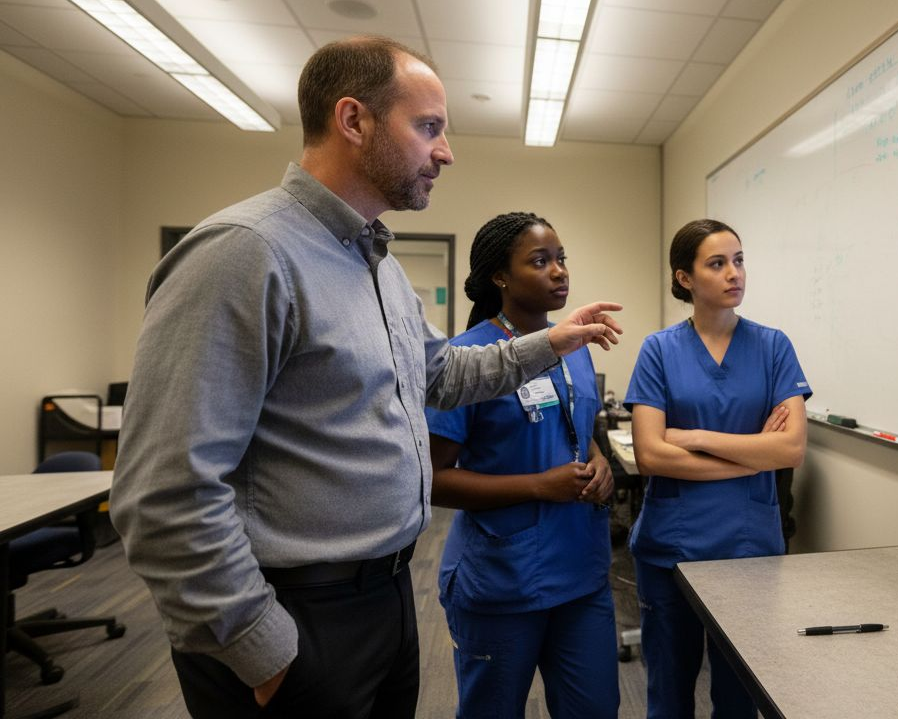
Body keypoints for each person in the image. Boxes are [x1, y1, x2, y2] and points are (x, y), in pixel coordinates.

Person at [109, 36, 622, 719]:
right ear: (354, 120)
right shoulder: (245, 254)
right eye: (429, 127)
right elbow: (162, 493)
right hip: (292, 614)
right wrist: (263, 653)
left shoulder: (374, 263)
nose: (446, 152)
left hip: (382, 597)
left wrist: (549, 342)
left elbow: (438, 375)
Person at [425, 212, 619, 718]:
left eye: (561, 259)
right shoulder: (467, 358)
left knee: (596, 708)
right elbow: (434, 480)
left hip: (581, 571)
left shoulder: (573, 346)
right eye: (540, 261)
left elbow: (578, 429)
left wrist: (599, 463)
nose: (559, 271)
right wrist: (539, 485)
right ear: (500, 277)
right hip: (503, 579)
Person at [624, 218, 811, 718]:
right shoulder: (659, 350)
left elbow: (790, 449)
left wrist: (699, 438)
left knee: (738, 697)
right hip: (671, 552)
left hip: (748, 551)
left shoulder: (774, 347)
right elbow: (651, 456)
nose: (735, 274)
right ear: (685, 278)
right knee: (668, 692)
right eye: (717, 263)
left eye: (739, 260)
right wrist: (752, 457)